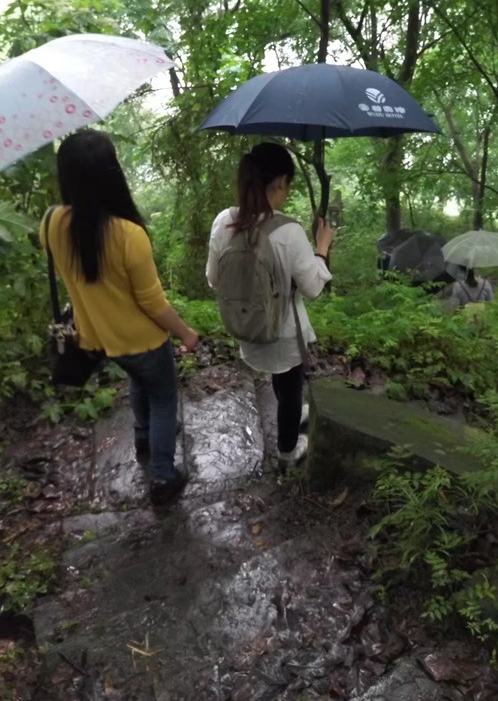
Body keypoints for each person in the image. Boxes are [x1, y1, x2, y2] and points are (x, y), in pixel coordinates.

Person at [40, 130, 199, 505]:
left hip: (98, 341)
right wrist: (186, 333)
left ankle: (143, 438)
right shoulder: (128, 235)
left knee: (139, 380)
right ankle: (163, 475)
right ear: (112, 174)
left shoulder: (51, 223)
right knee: (163, 396)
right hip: (144, 340)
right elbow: (153, 303)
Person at [206, 142, 333, 469]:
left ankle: (292, 417)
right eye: (287, 185)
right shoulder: (288, 230)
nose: (287, 193)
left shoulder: (224, 221)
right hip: (283, 332)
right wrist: (321, 248)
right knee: (291, 387)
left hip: (246, 326)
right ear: (278, 183)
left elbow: (213, 279)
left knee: (281, 380)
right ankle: (287, 452)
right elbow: (314, 288)